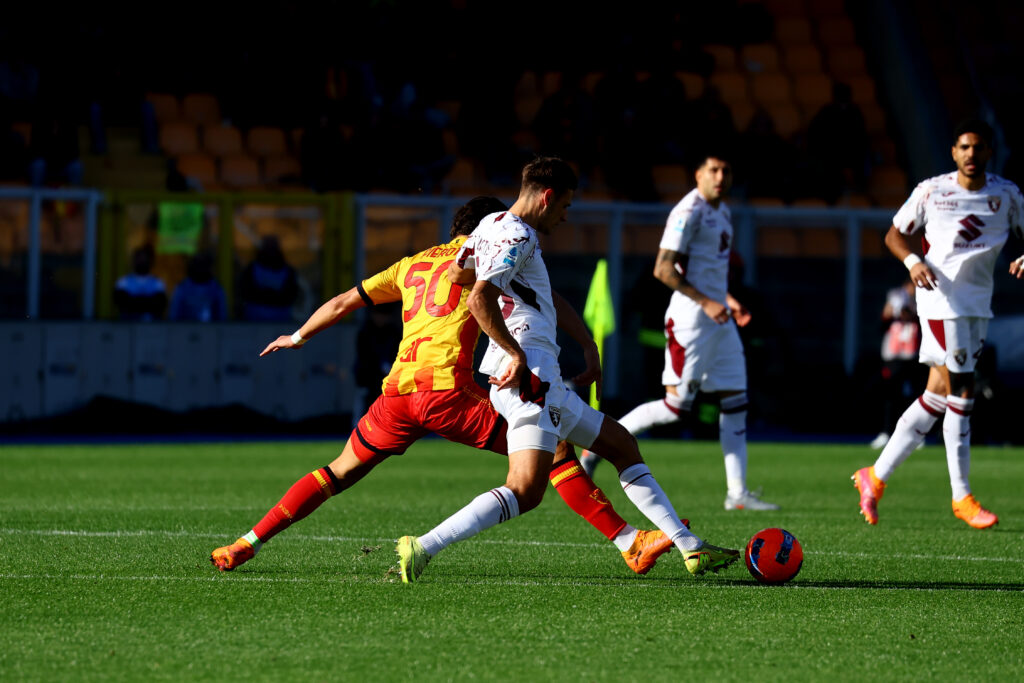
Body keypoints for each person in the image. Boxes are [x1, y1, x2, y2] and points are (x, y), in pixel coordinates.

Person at [211, 196, 678, 577]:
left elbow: (340, 303)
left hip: (396, 395)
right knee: (553, 449)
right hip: (446, 394)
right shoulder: (484, 257)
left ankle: (246, 543)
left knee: (337, 473)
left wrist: (296, 337)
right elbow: (545, 297)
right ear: (486, 230)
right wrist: (580, 343)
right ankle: (629, 541)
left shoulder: (409, 265)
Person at [395, 157, 740, 583]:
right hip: (529, 374)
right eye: (566, 206)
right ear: (547, 196)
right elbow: (478, 297)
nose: (565, 216)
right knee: (525, 490)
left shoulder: (490, 227)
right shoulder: (517, 235)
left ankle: (689, 547)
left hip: (537, 375)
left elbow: (457, 273)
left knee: (621, 444)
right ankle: (424, 547)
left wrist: (583, 342)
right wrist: (515, 351)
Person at [581, 152, 779, 512]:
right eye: (714, 169)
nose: (721, 176)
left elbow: (707, 270)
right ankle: (594, 445)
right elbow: (663, 269)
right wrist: (707, 302)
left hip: (719, 322)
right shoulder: (687, 212)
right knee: (675, 407)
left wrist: (727, 299)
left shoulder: (722, 212)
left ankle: (737, 494)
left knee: (736, 401)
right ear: (698, 174)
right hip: (690, 321)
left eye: (727, 170)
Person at [852, 118, 1024, 529]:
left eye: (978, 147)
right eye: (964, 147)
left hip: (975, 304)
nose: (971, 154)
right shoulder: (933, 190)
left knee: (937, 394)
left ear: (988, 153)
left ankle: (874, 477)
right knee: (963, 393)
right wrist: (912, 261)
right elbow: (895, 235)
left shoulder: (1007, 194)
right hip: (941, 300)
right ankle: (961, 495)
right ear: (954, 152)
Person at [869, 279, 923, 449]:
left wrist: (911, 312)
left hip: (913, 356)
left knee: (914, 397)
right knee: (890, 395)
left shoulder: (921, 304)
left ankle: (916, 434)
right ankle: (886, 432)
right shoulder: (894, 308)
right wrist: (890, 312)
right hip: (893, 357)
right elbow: (882, 326)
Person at [237, 235, 300, 321]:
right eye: (268, 247)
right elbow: (245, 290)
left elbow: (291, 293)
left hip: (280, 315)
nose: (270, 252)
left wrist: (273, 297)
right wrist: (265, 295)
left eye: (273, 248)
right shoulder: (252, 268)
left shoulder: (287, 271)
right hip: (255, 315)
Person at [168, 251, 227, 322]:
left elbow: (222, 317)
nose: (200, 268)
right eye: (198, 264)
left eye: (203, 264)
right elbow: (174, 317)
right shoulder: (182, 288)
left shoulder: (217, 289)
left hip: (212, 331)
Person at [114, 243, 166, 321]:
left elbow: (159, 304)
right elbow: (122, 303)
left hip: (151, 328)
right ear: (134, 261)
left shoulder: (157, 283)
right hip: (127, 327)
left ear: (150, 261)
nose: (142, 261)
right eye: (139, 259)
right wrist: (148, 302)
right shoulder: (123, 281)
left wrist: (133, 301)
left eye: (145, 259)